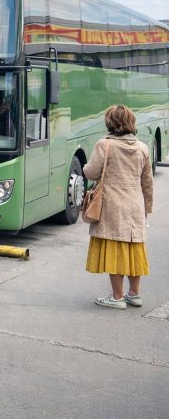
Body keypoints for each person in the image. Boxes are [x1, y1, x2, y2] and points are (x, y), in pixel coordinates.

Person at [83, 105, 153, 309]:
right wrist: (146, 209)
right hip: (135, 205)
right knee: (134, 248)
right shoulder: (142, 148)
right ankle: (134, 294)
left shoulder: (104, 145)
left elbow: (91, 172)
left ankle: (117, 297)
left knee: (115, 248)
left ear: (110, 123)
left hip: (113, 204)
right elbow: (147, 182)